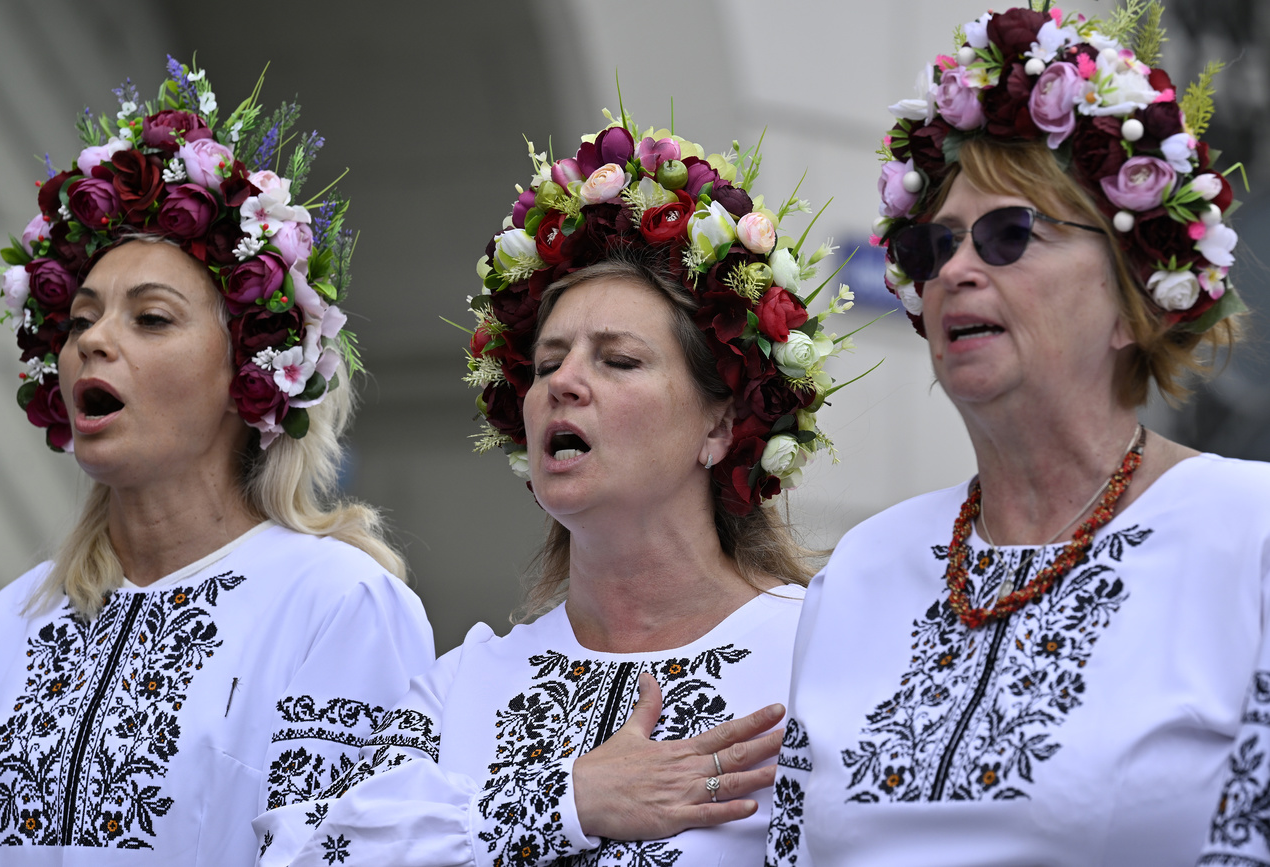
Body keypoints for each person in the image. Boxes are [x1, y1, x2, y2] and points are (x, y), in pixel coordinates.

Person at [254, 113, 861, 865]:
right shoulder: (462, 684)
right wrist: (565, 799)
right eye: (547, 364)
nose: (563, 383)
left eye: (619, 361)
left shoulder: (824, 652)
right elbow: (304, 850)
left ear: (720, 422)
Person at [764, 4, 1270, 866]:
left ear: (1132, 299)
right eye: (935, 247)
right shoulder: (861, 570)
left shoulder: (1249, 533)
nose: (957, 270)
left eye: (1009, 235)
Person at [0, 59, 434, 865]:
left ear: (245, 371)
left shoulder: (334, 602)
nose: (91, 342)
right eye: (80, 321)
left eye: (151, 317)